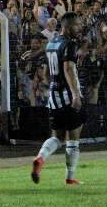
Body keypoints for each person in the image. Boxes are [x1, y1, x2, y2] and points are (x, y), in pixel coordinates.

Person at [31, 12, 85, 186]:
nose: (80, 28)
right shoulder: (69, 44)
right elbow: (69, 68)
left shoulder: (51, 44)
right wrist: (75, 94)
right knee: (73, 138)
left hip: (53, 95)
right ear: (68, 27)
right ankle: (70, 177)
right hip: (68, 94)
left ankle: (41, 157)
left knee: (57, 136)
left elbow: (46, 73)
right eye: (77, 25)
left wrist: (53, 85)